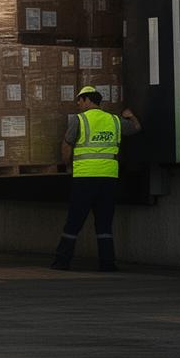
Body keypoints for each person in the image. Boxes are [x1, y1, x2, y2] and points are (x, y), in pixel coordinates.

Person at [51, 86, 141, 271]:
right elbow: (136, 128)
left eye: (79, 100)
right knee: (104, 224)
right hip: (108, 179)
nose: (77, 104)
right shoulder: (115, 120)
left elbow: (67, 144)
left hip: (85, 178)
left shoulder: (80, 120)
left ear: (87, 100)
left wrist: (67, 164)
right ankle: (107, 264)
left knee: (74, 222)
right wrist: (130, 115)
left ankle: (62, 262)